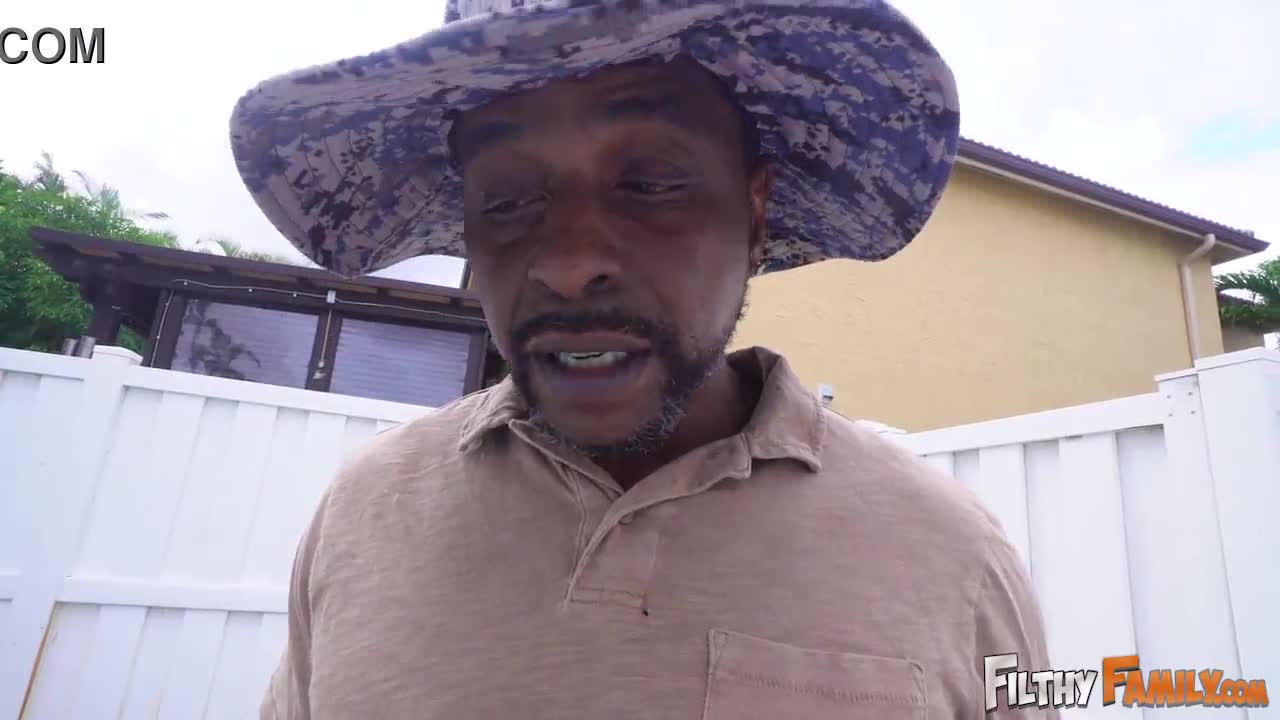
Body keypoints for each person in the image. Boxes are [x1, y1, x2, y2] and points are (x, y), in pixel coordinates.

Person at [231, 0, 1058, 717]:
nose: (568, 262)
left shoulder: (955, 558)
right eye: (508, 198)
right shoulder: (363, 514)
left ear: (754, 211)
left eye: (653, 182)